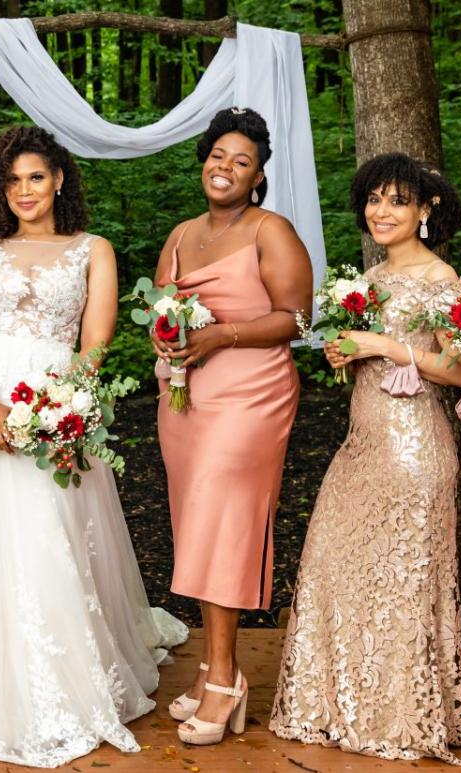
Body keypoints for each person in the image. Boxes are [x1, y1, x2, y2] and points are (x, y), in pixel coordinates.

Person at [0, 125, 187, 767]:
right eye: (12, 180)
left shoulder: (93, 249)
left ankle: (60, 672)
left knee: (50, 532)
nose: (25, 190)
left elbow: (95, 339)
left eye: (36, 177)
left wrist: (63, 406)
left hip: (56, 400)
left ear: (60, 179)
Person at [269, 153, 461, 764]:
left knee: (401, 583)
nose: (381, 211)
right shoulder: (372, 276)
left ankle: (398, 717)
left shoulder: (441, 278)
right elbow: (372, 357)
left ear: (425, 210)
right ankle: (337, 707)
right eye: (374, 199)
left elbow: (457, 370)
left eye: (397, 201)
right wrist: (348, 351)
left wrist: (383, 344)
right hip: (362, 445)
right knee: (335, 563)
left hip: (414, 450)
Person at [154, 107, 313, 746]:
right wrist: (164, 336)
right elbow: (161, 308)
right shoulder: (181, 233)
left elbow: (299, 319)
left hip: (251, 395)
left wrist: (222, 334)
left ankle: (224, 679)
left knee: (224, 525)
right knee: (197, 525)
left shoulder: (271, 231)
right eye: (218, 155)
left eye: (241, 161)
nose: (225, 168)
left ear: (258, 177)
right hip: (185, 398)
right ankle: (211, 668)